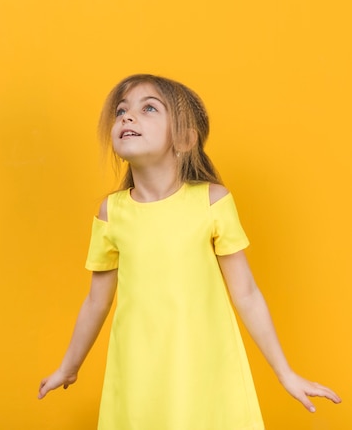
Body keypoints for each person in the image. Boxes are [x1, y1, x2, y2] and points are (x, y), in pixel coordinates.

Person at [38, 74, 341, 429]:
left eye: (148, 107)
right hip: (140, 371)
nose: (127, 117)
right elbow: (96, 302)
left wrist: (285, 372)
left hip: (203, 369)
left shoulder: (211, 202)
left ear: (184, 138)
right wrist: (69, 366)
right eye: (121, 111)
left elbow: (246, 293)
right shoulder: (112, 212)